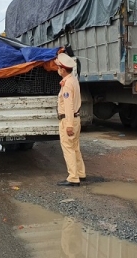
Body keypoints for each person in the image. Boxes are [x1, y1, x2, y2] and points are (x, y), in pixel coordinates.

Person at [55, 53, 86, 186]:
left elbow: (68, 106)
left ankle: (73, 178)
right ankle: (80, 173)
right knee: (75, 147)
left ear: (62, 69)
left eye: (58, 67)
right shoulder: (73, 80)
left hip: (69, 119)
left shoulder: (67, 84)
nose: (57, 69)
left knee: (68, 148)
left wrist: (68, 125)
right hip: (75, 118)